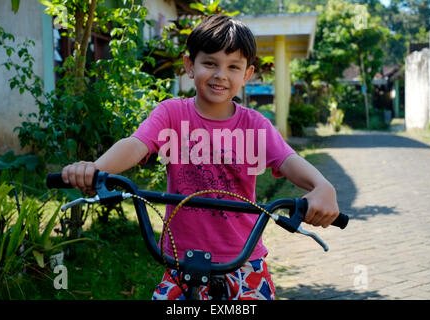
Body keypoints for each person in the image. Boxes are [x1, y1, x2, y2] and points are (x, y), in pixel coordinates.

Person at [61, 14, 339, 300]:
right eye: (209, 63)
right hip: (181, 262)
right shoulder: (171, 114)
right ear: (189, 66)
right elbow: (135, 144)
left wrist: (322, 186)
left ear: (246, 74)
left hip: (244, 262)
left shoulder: (255, 125)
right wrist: (96, 169)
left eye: (233, 67)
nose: (220, 75)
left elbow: (288, 160)